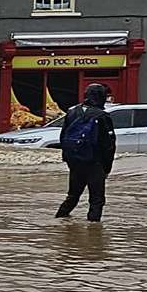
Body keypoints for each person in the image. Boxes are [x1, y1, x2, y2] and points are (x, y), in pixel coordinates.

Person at [55, 82, 117, 222]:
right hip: (95, 163)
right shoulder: (102, 116)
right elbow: (109, 145)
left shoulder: (72, 112)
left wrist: (69, 159)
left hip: (75, 162)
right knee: (96, 200)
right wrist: (107, 168)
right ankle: (94, 232)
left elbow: (63, 137)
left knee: (73, 195)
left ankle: (59, 221)